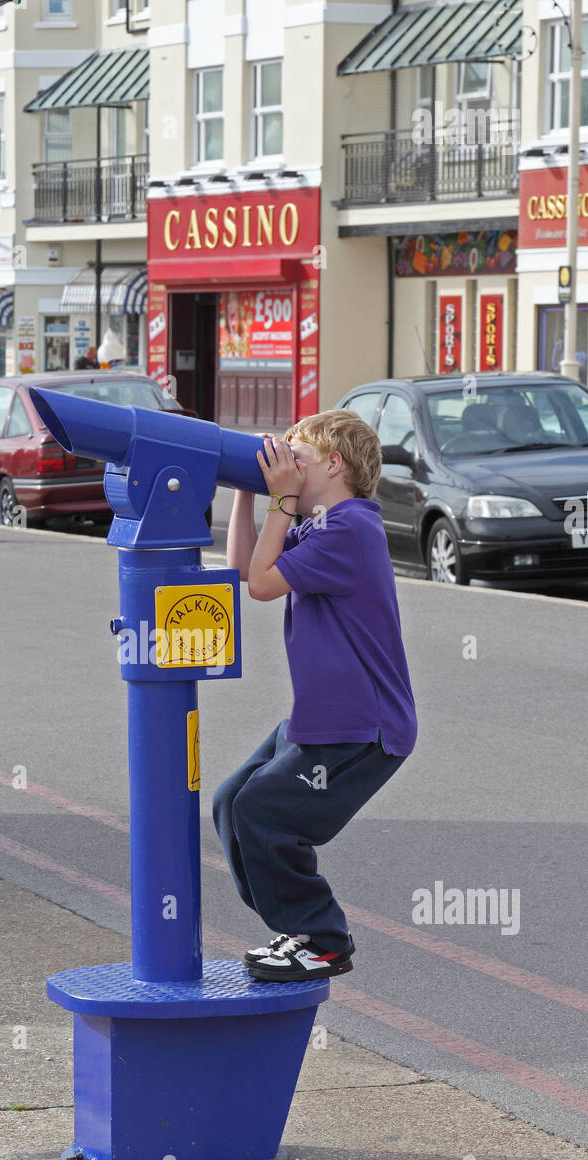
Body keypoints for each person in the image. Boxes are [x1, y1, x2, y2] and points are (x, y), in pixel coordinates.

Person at [213, 411, 417, 982]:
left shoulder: (350, 528)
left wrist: (279, 501)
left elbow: (260, 584)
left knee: (263, 812)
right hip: (324, 720)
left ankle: (322, 939)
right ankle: (295, 931)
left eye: (296, 458)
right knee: (232, 802)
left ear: (334, 464)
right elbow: (243, 570)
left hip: (363, 727)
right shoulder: (320, 524)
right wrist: (251, 495)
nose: (287, 468)